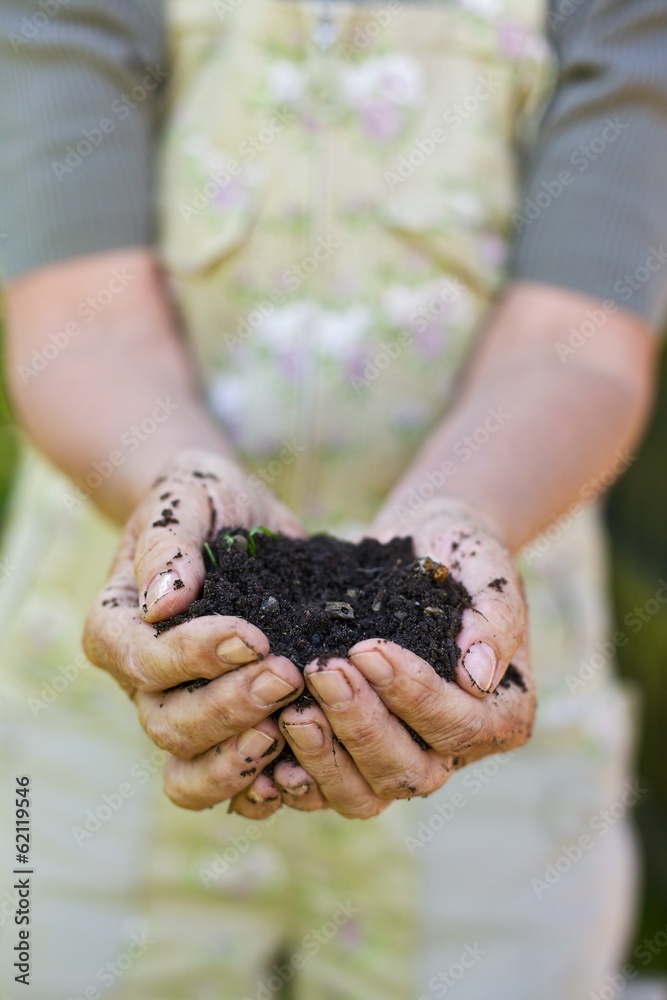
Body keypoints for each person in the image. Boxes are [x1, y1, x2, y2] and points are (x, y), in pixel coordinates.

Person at [0, 0, 665, 997]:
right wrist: (174, 476)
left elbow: (580, 338)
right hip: (111, 692)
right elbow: (75, 318)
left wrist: (460, 511)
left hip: (481, 689)